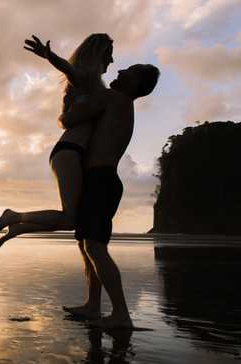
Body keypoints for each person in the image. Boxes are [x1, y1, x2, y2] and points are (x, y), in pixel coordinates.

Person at [0, 33, 114, 247]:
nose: (112, 60)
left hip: (73, 152)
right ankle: (14, 216)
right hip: (69, 151)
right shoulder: (86, 80)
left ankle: (20, 225)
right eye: (109, 55)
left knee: (72, 220)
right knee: (70, 218)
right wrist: (49, 56)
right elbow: (69, 69)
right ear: (97, 55)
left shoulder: (92, 87)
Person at [60, 64, 160, 328]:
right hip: (101, 180)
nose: (122, 69)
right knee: (86, 246)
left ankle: (121, 314)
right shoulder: (122, 102)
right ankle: (93, 306)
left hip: (101, 180)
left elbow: (67, 120)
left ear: (136, 83)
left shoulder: (115, 98)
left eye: (131, 70)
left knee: (95, 247)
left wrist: (74, 98)